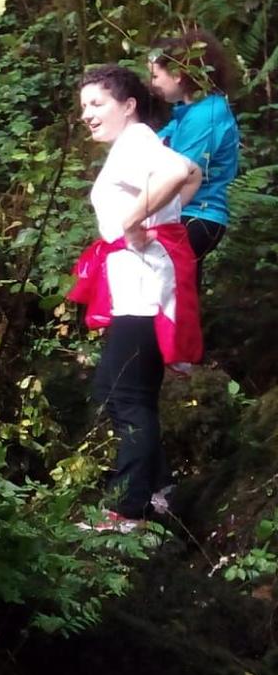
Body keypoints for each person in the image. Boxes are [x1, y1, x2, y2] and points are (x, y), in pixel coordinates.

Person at [66, 65, 203, 532]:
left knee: (126, 398)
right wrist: (160, 214)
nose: (87, 114)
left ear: (128, 106)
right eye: (84, 106)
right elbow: (194, 173)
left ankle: (127, 509)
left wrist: (132, 223)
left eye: (97, 103)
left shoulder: (138, 143)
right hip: (138, 290)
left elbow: (180, 170)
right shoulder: (135, 144)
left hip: (143, 294)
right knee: (116, 391)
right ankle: (157, 489)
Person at [150, 26, 241, 272]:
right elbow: (151, 145)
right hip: (187, 215)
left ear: (178, 74)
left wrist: (147, 216)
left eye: (156, 76)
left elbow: (181, 172)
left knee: (171, 294)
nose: (152, 84)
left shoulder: (205, 116)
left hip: (197, 215)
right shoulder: (189, 113)